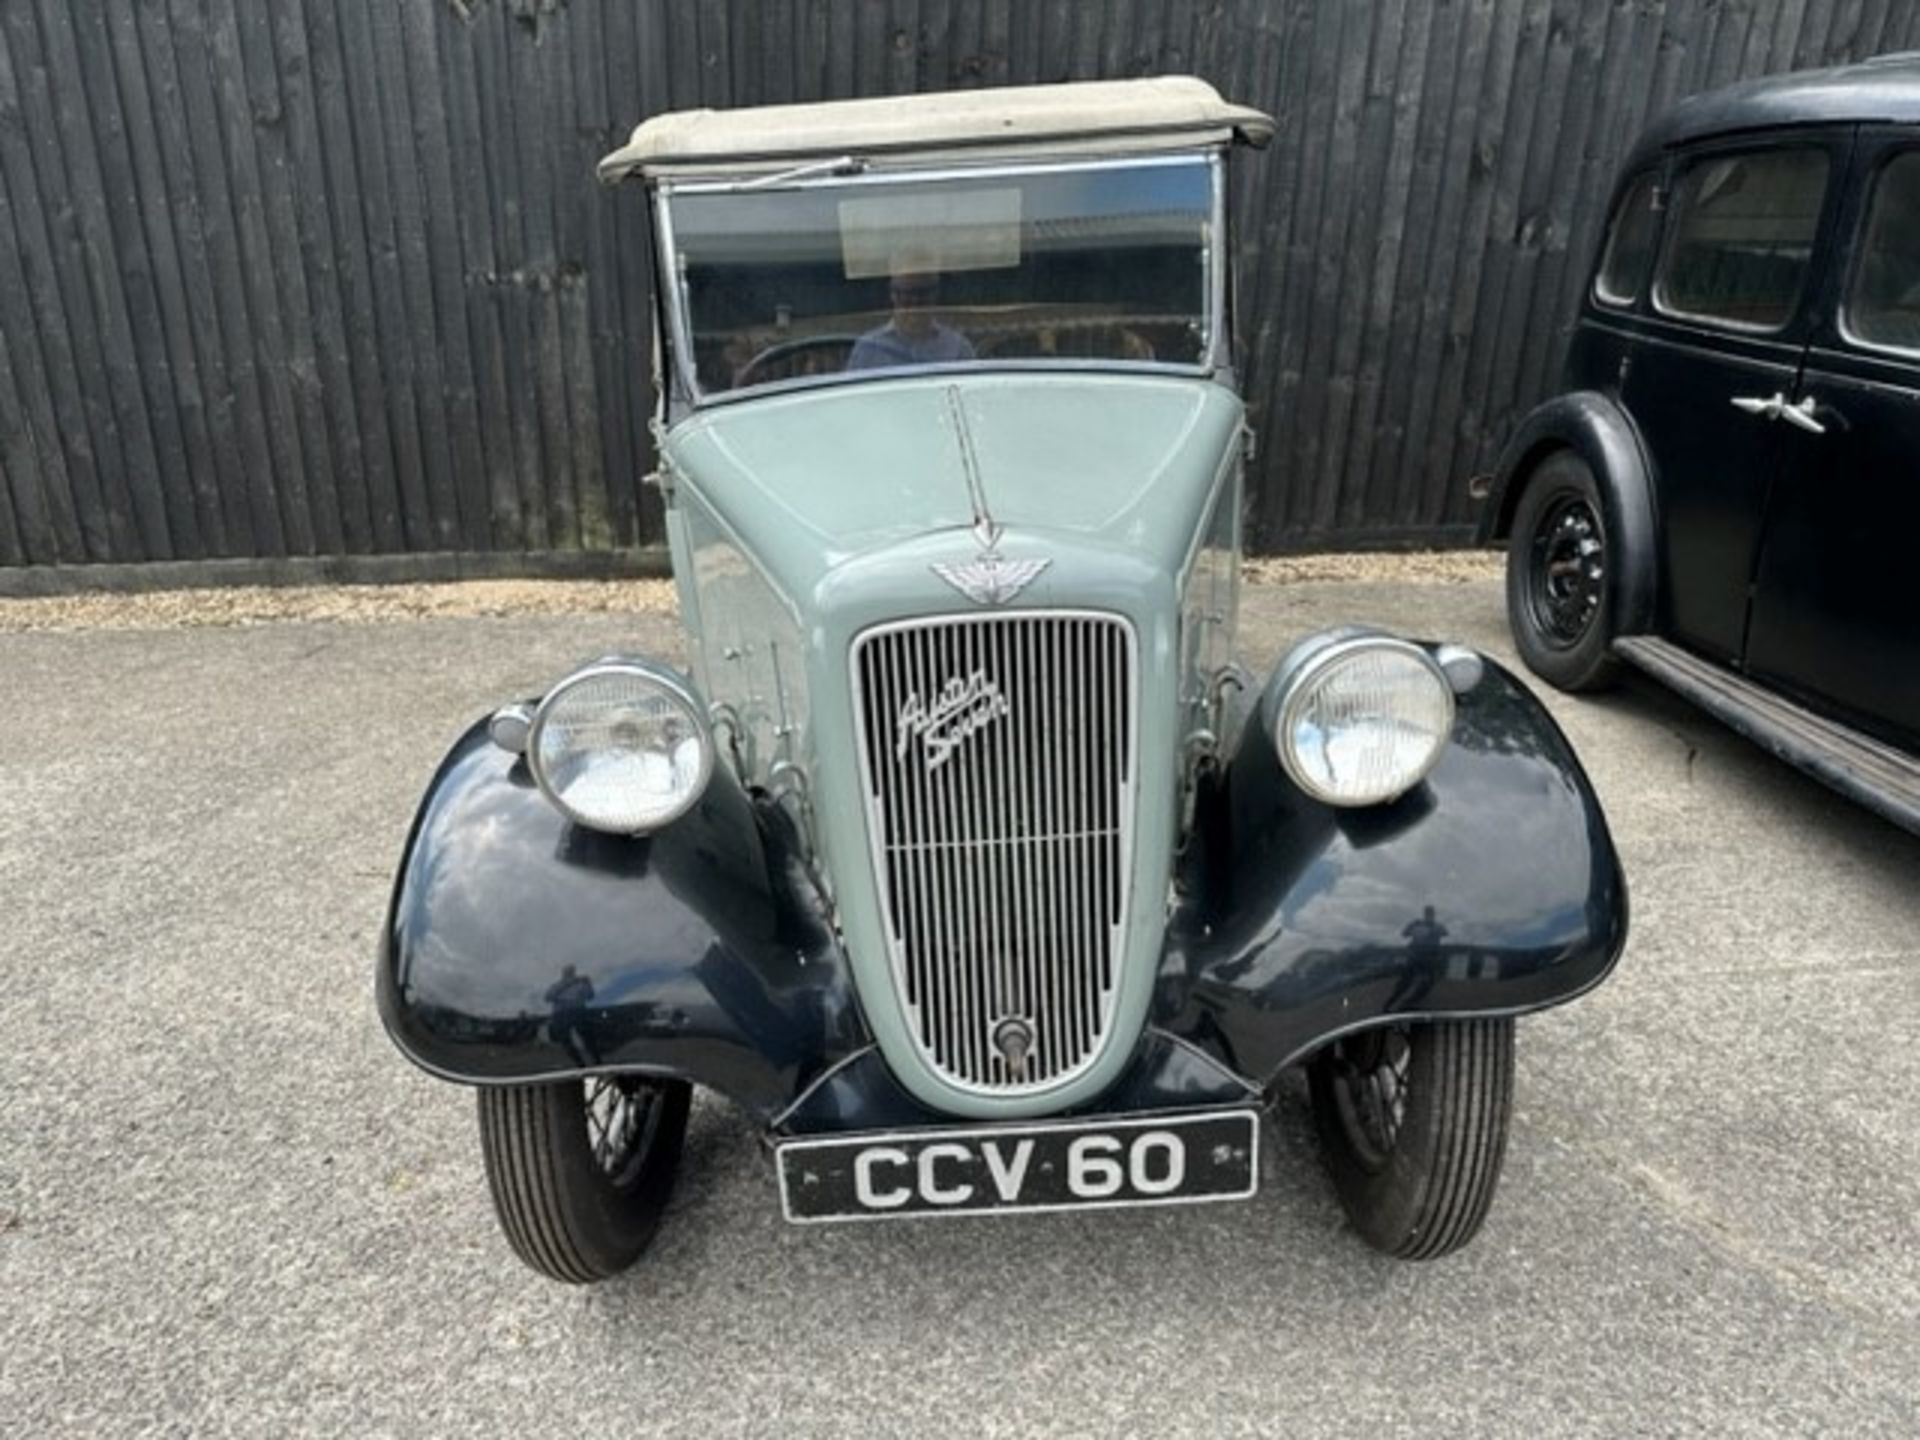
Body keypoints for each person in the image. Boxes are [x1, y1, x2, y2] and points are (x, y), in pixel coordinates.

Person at [847, 257, 976, 371]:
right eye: (907, 294)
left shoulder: (958, 349)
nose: (915, 303)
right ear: (893, 295)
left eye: (922, 294)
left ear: (936, 294)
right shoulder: (868, 349)